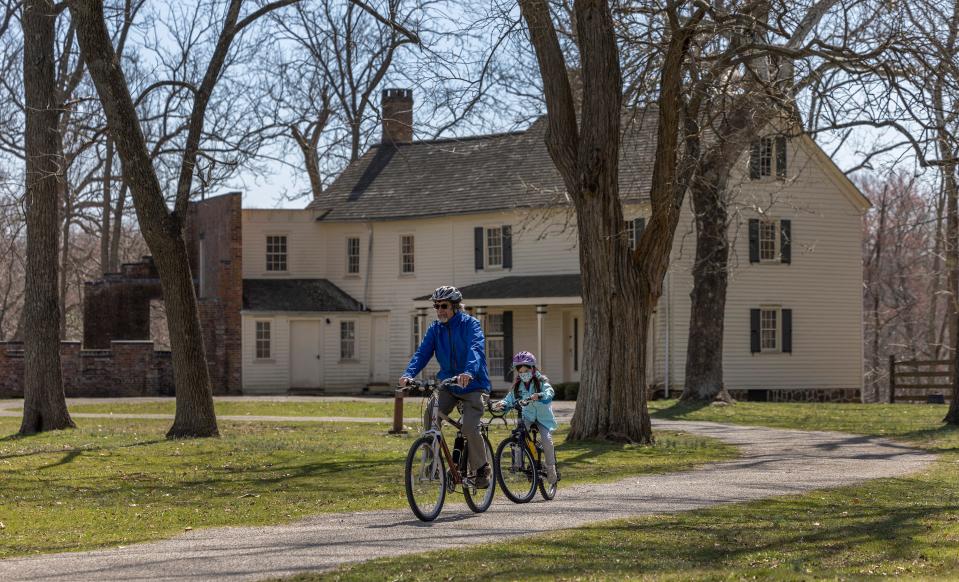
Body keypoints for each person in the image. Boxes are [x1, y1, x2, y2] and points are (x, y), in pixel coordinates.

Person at [399, 285, 493, 488]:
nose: (440, 310)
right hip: (449, 384)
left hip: (474, 385)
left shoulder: (471, 325)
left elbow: (475, 349)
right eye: (436, 306)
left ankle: (481, 468)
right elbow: (422, 353)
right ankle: (433, 463)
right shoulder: (435, 329)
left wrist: (468, 372)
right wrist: (408, 374)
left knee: (469, 427)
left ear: (456, 307)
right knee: (430, 413)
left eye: (444, 306)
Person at [493, 351, 558, 485]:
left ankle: (551, 467)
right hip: (527, 416)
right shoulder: (518, 386)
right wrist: (503, 404)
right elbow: (510, 398)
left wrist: (540, 395)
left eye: (526, 370)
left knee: (546, 439)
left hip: (543, 418)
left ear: (533, 369)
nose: (523, 374)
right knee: (518, 435)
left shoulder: (541, 382)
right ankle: (518, 463)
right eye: (520, 371)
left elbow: (549, 392)